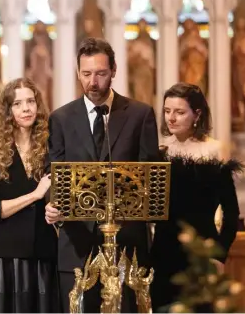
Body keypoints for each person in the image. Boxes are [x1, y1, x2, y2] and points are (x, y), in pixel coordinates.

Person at [44, 37, 160, 313]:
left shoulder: (140, 115)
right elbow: (55, 174)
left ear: (114, 71)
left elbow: (148, 175)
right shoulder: (60, 118)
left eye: (100, 73)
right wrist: (52, 206)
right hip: (77, 239)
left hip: (126, 242)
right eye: (86, 74)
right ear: (77, 73)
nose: (93, 82)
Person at [0, 78, 60, 313]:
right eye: (18, 103)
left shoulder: (53, 149)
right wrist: (34, 195)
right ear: (8, 110)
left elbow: (64, 196)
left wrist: (57, 210)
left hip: (44, 253)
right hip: (3, 258)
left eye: (31, 101)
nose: (26, 108)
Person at [150, 83, 241, 312]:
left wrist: (220, 255)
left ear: (197, 114)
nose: (171, 118)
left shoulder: (215, 150)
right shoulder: (159, 151)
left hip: (201, 251)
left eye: (179, 112)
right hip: (163, 251)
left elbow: (232, 212)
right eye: (167, 111)